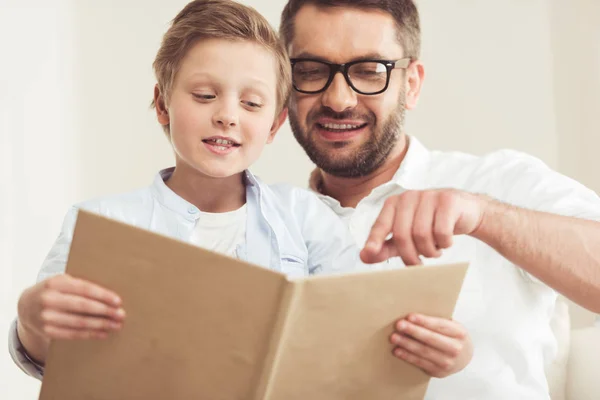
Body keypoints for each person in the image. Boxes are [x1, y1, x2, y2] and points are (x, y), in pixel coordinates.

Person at [9, 0, 473, 385]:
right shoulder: (102, 224)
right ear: (162, 104)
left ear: (273, 125)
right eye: (205, 96)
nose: (227, 116)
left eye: (250, 103)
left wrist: (448, 351)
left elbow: (361, 327)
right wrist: (31, 321)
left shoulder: (304, 217)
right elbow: (50, 358)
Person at [280, 0, 600, 399]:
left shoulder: (501, 183)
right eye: (311, 71)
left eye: (369, 71)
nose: (339, 99)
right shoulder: (268, 221)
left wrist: (484, 216)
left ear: (411, 84)